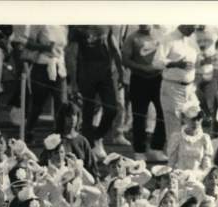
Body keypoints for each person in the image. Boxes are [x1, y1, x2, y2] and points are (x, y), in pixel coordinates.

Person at [71, 26, 124, 158]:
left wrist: (121, 72)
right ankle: (89, 149)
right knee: (88, 112)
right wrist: (73, 82)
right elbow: (72, 55)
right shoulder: (78, 28)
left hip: (106, 75)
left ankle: (97, 136)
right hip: (86, 75)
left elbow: (115, 49)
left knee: (112, 109)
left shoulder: (106, 26)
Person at [152, 25, 200, 153]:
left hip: (190, 88)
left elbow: (197, 61)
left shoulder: (191, 39)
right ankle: (174, 163)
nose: (194, 30)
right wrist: (174, 64)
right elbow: (156, 62)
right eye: (192, 26)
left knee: (195, 121)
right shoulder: (168, 38)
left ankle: (189, 157)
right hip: (172, 87)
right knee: (174, 127)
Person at [122, 25, 167, 161]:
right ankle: (139, 151)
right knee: (139, 116)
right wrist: (142, 68)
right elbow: (125, 60)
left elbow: (166, 55)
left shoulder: (160, 34)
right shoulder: (132, 38)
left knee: (162, 113)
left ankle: (156, 148)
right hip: (139, 80)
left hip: (158, 79)